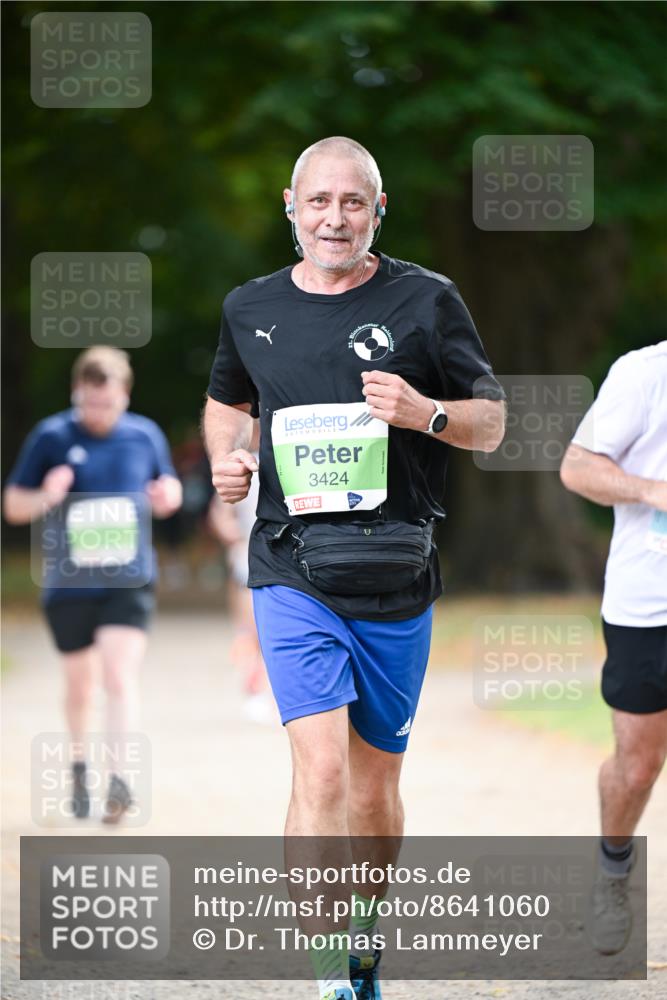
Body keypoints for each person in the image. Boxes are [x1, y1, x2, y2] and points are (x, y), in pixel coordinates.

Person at [202, 136, 505, 1000]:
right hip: (291, 570)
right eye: (318, 201)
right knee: (321, 770)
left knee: (373, 791)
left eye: (353, 202)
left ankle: (365, 943)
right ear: (290, 208)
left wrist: (426, 414)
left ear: (377, 212)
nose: (334, 218)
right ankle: (329, 973)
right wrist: (230, 459)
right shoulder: (248, 305)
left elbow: (491, 422)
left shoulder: (426, 299)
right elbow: (228, 404)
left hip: (396, 572)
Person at [3, 346, 182, 823]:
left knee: (119, 677)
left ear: (124, 395)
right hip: (68, 583)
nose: (97, 414)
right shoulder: (51, 436)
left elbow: (169, 492)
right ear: (75, 393)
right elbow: (13, 506)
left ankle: (119, 780)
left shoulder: (145, 435)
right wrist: (46, 494)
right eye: (88, 404)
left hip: (128, 579)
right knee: (80, 687)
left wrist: (168, 497)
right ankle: (80, 767)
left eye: (107, 404)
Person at [560, 341, 667, 955]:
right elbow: (577, 467)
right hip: (648, 603)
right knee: (639, 765)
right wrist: (652, 491)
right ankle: (613, 867)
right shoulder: (643, 374)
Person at [207, 419, 273, 722]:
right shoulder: (240, 464)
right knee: (253, 632)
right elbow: (219, 512)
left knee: (272, 633)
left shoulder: (282, 460)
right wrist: (231, 531)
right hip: (245, 560)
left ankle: (267, 689)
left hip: (277, 558)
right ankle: (254, 690)